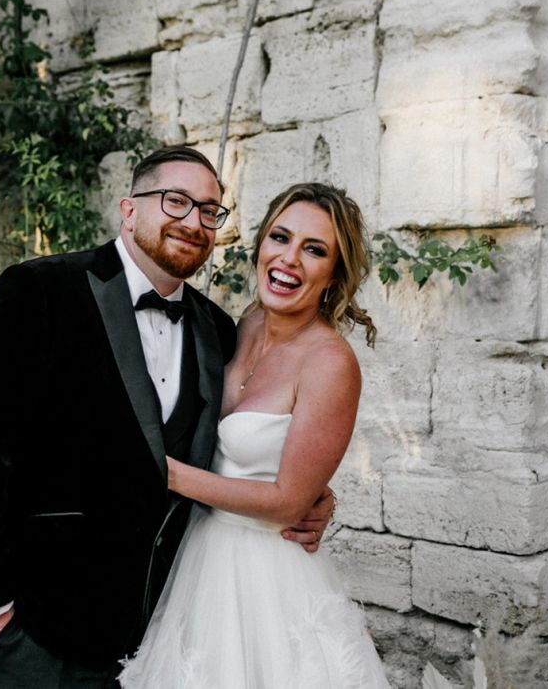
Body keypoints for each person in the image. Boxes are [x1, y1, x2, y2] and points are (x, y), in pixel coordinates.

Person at [0, 147, 335, 688]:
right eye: (176, 201)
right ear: (129, 208)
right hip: (39, 631)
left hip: (162, 634)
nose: (194, 222)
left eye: (210, 211)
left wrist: (315, 497)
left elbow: (242, 443)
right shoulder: (42, 291)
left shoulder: (218, 332)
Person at [118, 182, 391, 688]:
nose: (290, 259)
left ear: (333, 275)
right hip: (200, 560)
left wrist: (166, 472)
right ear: (261, 243)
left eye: (314, 250)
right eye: (280, 237)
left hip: (269, 577)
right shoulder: (241, 324)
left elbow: (289, 502)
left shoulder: (330, 363)